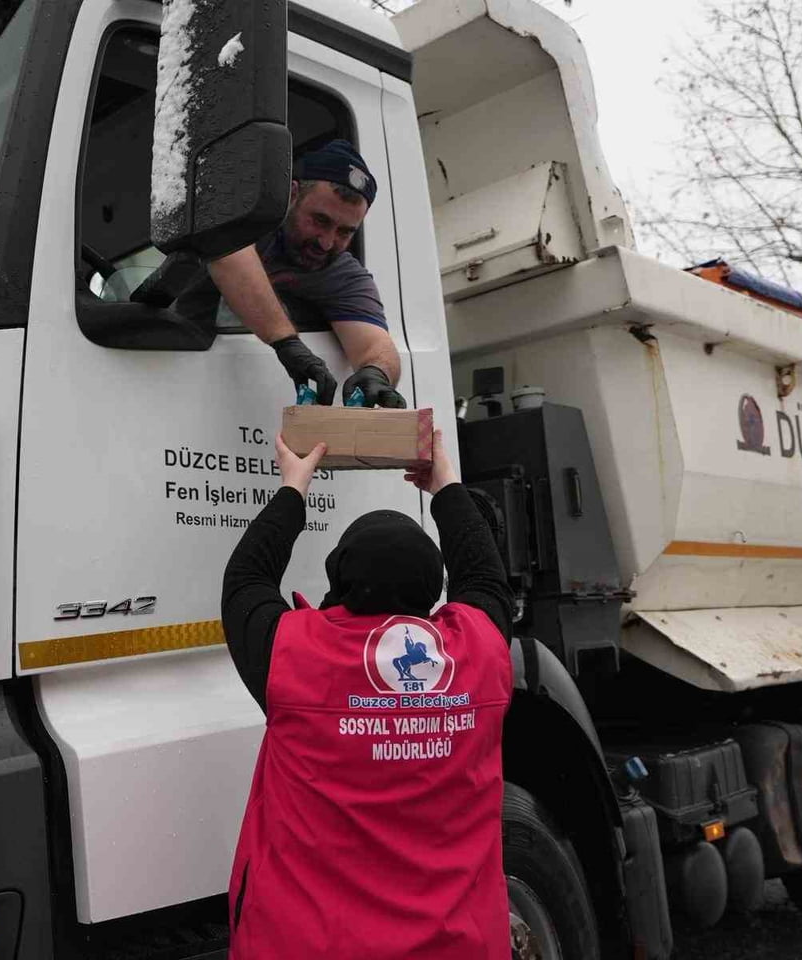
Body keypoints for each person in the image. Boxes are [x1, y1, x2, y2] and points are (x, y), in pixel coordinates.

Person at [221, 430, 514, 959]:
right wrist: (446, 485)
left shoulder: (293, 657)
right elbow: (485, 579)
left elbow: (244, 579)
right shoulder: (480, 659)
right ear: (433, 588)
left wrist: (294, 488)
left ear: (339, 577)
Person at [182, 139, 406, 409]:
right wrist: (287, 344)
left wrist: (376, 373)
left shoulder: (342, 274)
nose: (326, 242)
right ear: (292, 195)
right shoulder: (245, 227)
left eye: (345, 232)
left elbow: (377, 346)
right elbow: (226, 252)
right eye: (320, 221)